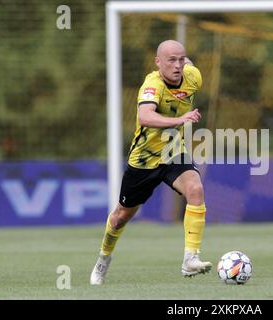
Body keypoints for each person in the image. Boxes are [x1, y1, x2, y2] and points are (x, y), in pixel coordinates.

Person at [90, 40, 212, 285]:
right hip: (144, 160)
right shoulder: (152, 85)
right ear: (158, 63)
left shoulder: (193, 77)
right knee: (120, 217)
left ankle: (190, 259)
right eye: (171, 60)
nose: (177, 65)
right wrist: (180, 120)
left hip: (173, 152)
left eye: (181, 59)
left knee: (196, 189)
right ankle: (103, 259)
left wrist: (184, 61)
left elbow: (189, 66)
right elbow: (145, 116)